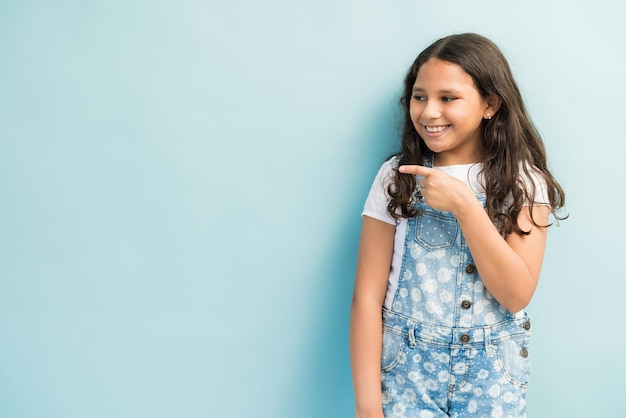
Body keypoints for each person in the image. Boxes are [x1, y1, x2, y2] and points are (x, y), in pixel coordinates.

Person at [349, 33, 566, 418]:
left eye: (447, 98)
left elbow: (515, 294)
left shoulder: (524, 182)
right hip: (406, 373)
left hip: (493, 376)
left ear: (490, 104)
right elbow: (367, 297)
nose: (429, 112)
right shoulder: (395, 177)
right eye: (420, 97)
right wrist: (368, 407)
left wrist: (466, 205)